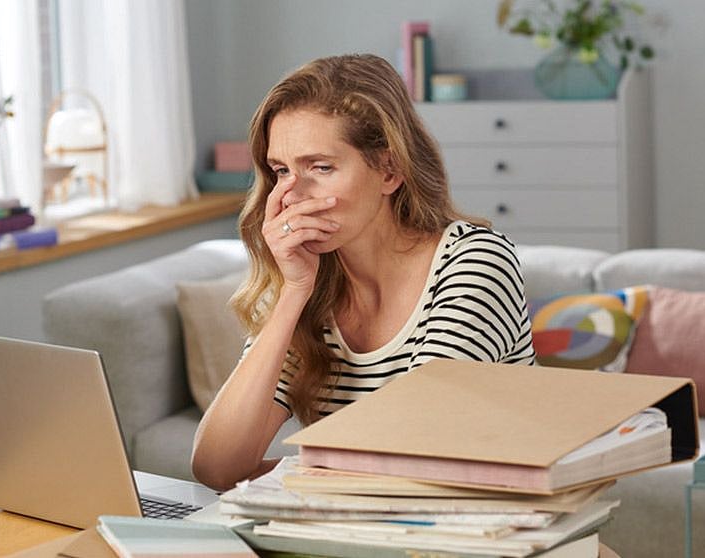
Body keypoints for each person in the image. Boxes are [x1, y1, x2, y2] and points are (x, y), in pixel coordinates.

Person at [191, 54, 534, 491]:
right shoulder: (312, 283)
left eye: (320, 167)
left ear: (389, 170)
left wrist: (286, 473)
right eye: (281, 171)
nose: (292, 194)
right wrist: (293, 293)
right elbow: (216, 467)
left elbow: (415, 454)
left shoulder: (476, 262)